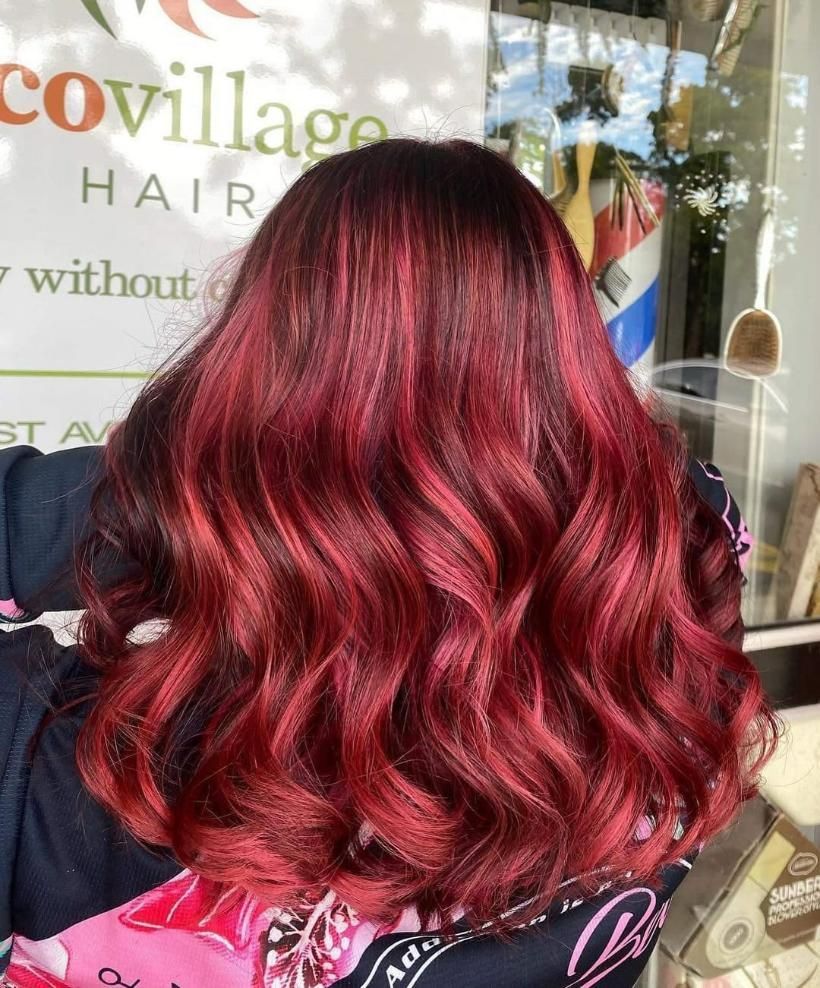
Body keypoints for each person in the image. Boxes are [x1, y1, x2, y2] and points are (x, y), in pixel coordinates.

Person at [0, 139, 775, 987]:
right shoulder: (685, 570)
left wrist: (188, 485)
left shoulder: (60, 784)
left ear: (250, 362)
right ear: (566, 339)